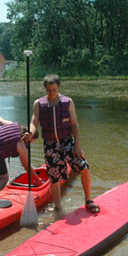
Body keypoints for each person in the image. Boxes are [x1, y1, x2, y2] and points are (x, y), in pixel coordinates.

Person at [30, 74, 100, 213]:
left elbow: (74, 125)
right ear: (45, 89)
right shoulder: (39, 104)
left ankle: (88, 200)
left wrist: (77, 146)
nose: (51, 93)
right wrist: (30, 133)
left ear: (58, 87)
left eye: (54, 90)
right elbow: (34, 122)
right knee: (54, 177)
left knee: (84, 167)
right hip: (50, 146)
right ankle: (58, 207)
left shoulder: (68, 102)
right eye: (48, 90)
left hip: (68, 142)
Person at [0, 111, 40, 198]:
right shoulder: (21, 145)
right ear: (30, 137)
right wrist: (38, 181)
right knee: (4, 178)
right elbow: (26, 166)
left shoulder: (13, 124)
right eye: (32, 142)